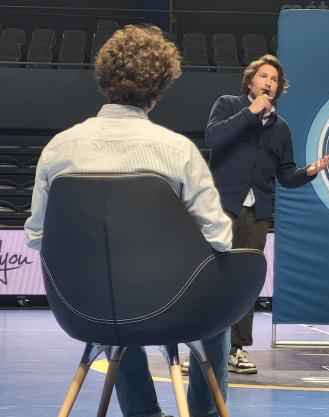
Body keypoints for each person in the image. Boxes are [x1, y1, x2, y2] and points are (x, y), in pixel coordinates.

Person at [25, 24, 234, 417]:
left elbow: (37, 235)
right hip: (170, 305)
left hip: (84, 308)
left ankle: (141, 412)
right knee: (217, 313)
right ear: (160, 88)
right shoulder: (178, 152)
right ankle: (204, 413)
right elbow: (219, 238)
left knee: (118, 304)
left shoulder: (58, 149)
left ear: (103, 80)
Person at [204, 54, 329, 374]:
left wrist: (310, 171)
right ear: (250, 82)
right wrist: (250, 113)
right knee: (213, 277)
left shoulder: (280, 128)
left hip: (256, 213)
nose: (268, 83)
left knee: (245, 280)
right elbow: (214, 139)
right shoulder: (229, 105)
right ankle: (203, 348)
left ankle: (236, 349)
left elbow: (286, 176)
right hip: (222, 207)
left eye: (274, 80)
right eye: (263, 77)